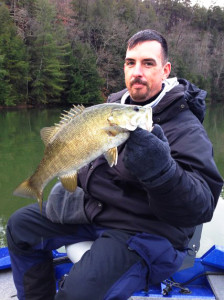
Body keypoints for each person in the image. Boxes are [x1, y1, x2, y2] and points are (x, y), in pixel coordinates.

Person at [7, 29, 223, 300]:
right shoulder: (109, 110)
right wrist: (71, 180)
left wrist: (162, 172)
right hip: (98, 213)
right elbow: (88, 162)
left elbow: (201, 205)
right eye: (130, 62)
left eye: (148, 63)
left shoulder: (186, 128)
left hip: (147, 232)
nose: (137, 72)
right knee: (19, 227)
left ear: (165, 70)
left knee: (78, 293)